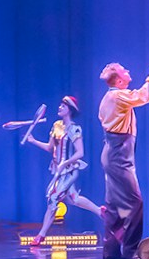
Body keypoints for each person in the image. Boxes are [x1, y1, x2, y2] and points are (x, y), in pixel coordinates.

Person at [98, 55, 149, 259]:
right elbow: (145, 95)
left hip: (116, 152)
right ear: (119, 81)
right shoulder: (116, 96)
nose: (128, 71)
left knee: (115, 206)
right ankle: (130, 250)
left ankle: (110, 250)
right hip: (118, 155)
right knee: (134, 202)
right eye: (124, 71)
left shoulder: (113, 97)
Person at [25, 96, 105, 246]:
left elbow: (80, 153)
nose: (60, 107)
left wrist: (65, 163)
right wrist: (33, 141)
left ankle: (41, 236)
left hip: (69, 171)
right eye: (60, 104)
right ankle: (101, 211)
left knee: (53, 198)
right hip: (58, 170)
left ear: (70, 109)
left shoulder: (75, 129)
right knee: (73, 199)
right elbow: (50, 148)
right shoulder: (56, 126)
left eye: (64, 105)